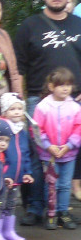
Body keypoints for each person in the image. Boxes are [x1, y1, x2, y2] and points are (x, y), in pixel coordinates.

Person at [13, 0, 81, 226]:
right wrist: (19, 99)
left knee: (70, 154)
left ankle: (61, 209)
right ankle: (36, 207)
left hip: (74, 103)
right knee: (38, 156)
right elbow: (18, 67)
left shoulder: (78, 25)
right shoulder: (30, 26)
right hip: (37, 103)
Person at [33, 67, 81, 230]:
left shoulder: (75, 107)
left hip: (69, 154)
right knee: (51, 184)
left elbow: (78, 128)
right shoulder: (42, 107)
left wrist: (69, 146)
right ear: (52, 86)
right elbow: (37, 130)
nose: (65, 88)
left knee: (65, 185)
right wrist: (48, 146)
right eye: (61, 85)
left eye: (68, 85)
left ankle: (63, 213)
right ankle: (51, 213)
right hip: (49, 155)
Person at [0, 94, 32, 240]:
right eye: (12, 109)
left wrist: (27, 171)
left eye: (19, 109)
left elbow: (26, 153)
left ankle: (8, 231)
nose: (17, 112)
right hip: (5, 177)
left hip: (17, 178)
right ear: (4, 111)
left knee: (11, 205)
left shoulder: (22, 131)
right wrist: (4, 173)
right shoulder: (2, 129)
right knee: (0, 204)